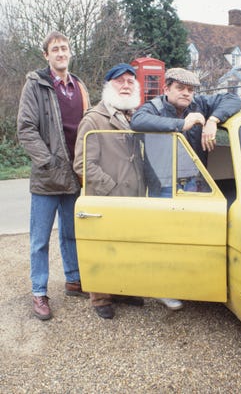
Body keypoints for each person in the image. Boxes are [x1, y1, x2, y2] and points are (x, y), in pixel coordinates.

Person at [130, 67, 241, 310]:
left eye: (190, 89)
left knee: (194, 234)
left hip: (195, 180)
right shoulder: (154, 107)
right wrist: (181, 124)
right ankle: (164, 288)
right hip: (164, 183)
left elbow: (233, 98)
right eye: (180, 88)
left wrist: (213, 120)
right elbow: (137, 121)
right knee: (166, 237)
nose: (186, 94)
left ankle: (192, 285)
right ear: (166, 89)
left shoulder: (200, 103)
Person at [17, 31, 91, 321]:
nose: (61, 52)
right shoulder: (36, 85)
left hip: (75, 176)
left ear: (70, 53)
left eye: (64, 48)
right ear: (46, 55)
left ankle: (73, 280)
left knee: (72, 234)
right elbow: (26, 128)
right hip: (47, 177)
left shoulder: (80, 86)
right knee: (39, 240)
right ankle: (39, 292)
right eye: (55, 49)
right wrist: (47, 161)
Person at [73, 63, 147, 320]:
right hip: (106, 199)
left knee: (128, 245)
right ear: (108, 86)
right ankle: (101, 297)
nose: (126, 85)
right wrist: (111, 188)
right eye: (120, 81)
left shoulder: (135, 116)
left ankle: (124, 290)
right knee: (104, 248)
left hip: (133, 197)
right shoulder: (94, 118)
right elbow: (82, 163)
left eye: (130, 81)